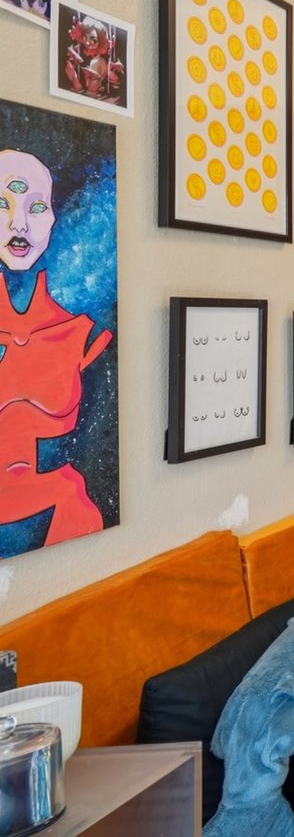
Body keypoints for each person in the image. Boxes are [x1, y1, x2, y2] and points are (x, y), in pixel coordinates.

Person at [1, 148, 111, 544]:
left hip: (55, 512)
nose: (19, 223)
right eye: (3, 203)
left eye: (36, 207)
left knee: (73, 493)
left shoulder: (76, 328)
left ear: (51, 218)